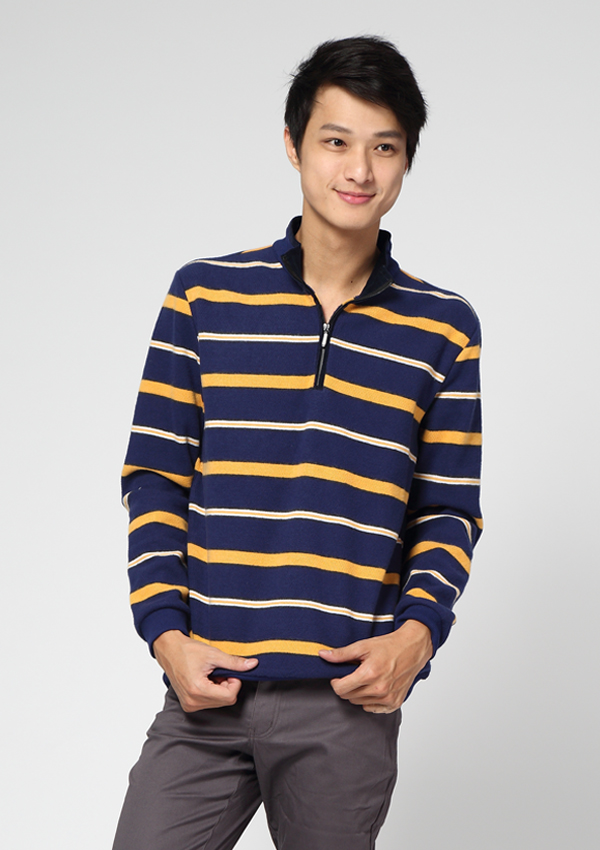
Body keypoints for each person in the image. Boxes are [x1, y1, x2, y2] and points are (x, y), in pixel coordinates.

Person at [113, 35, 483, 850]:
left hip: (343, 705)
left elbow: (448, 511)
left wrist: (416, 637)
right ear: (294, 145)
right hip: (207, 689)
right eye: (336, 141)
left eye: (384, 147)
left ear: (406, 160)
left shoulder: (444, 328)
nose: (360, 170)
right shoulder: (204, 295)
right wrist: (165, 635)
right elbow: (155, 477)